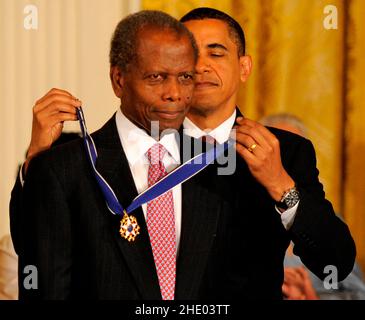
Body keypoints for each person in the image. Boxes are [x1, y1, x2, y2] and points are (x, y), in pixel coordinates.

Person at [11, 8, 355, 300]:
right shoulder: (98, 155)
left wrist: (281, 186)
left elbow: (336, 262)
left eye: (215, 53)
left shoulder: (282, 152)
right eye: (190, 57)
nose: (201, 67)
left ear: (245, 66)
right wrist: (36, 164)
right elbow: (39, 258)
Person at [261, 113, 365, 300]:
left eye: (294, 151)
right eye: (275, 151)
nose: (284, 161)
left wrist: (310, 295)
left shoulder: (324, 221)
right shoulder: (236, 211)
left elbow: (357, 294)